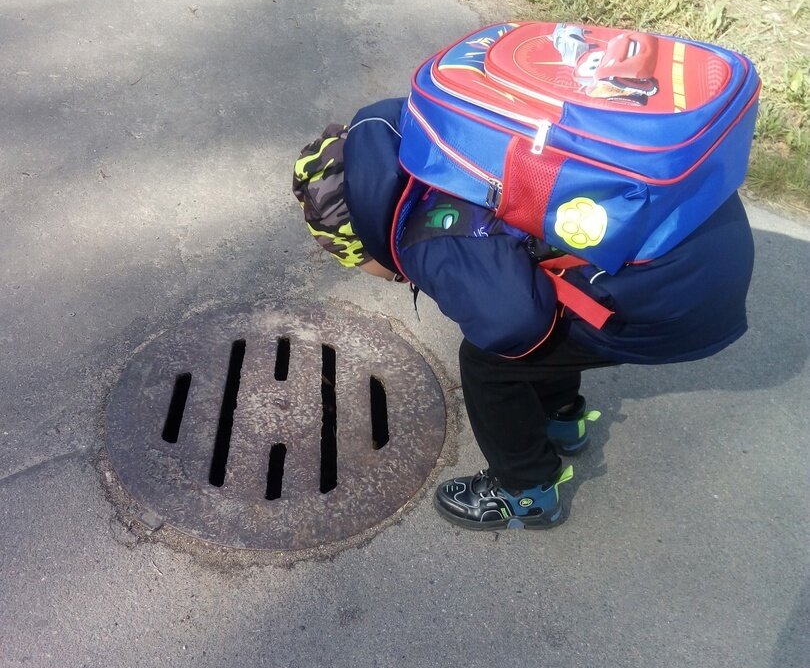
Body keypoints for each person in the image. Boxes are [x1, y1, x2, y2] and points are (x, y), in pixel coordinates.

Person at [292, 98, 754, 531]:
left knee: (491, 362)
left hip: (682, 292)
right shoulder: (445, 138)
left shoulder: (424, 236)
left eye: (354, 262)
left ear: (357, 240)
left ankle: (526, 490)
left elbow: (512, 324)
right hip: (704, 226)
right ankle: (561, 419)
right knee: (548, 307)